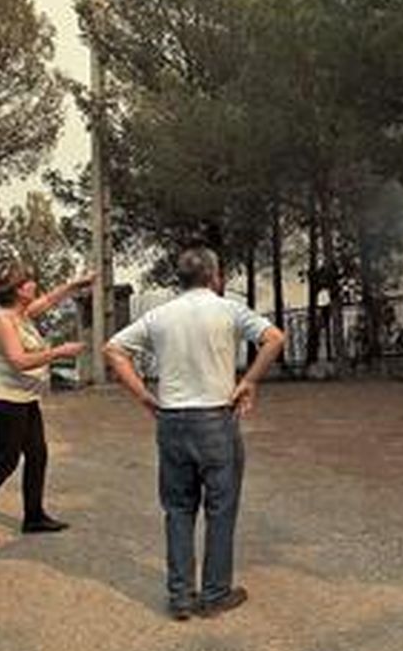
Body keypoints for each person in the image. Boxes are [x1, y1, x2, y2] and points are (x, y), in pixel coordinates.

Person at [104, 247, 285, 620]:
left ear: (180, 279)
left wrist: (143, 395)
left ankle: (181, 596)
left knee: (178, 509)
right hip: (216, 420)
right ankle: (216, 592)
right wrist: (249, 380)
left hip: (171, 421)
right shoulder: (229, 309)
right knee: (221, 509)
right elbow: (275, 339)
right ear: (215, 277)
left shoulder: (160, 315)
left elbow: (114, 349)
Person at [0, 262, 90, 547]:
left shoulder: (21, 315)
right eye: (27, 282)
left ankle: (34, 516)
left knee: (37, 455)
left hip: (24, 399)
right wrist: (58, 352)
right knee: (5, 461)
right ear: (16, 291)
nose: (33, 284)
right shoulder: (4, 321)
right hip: (6, 401)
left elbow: (50, 300)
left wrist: (75, 285)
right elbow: (18, 361)